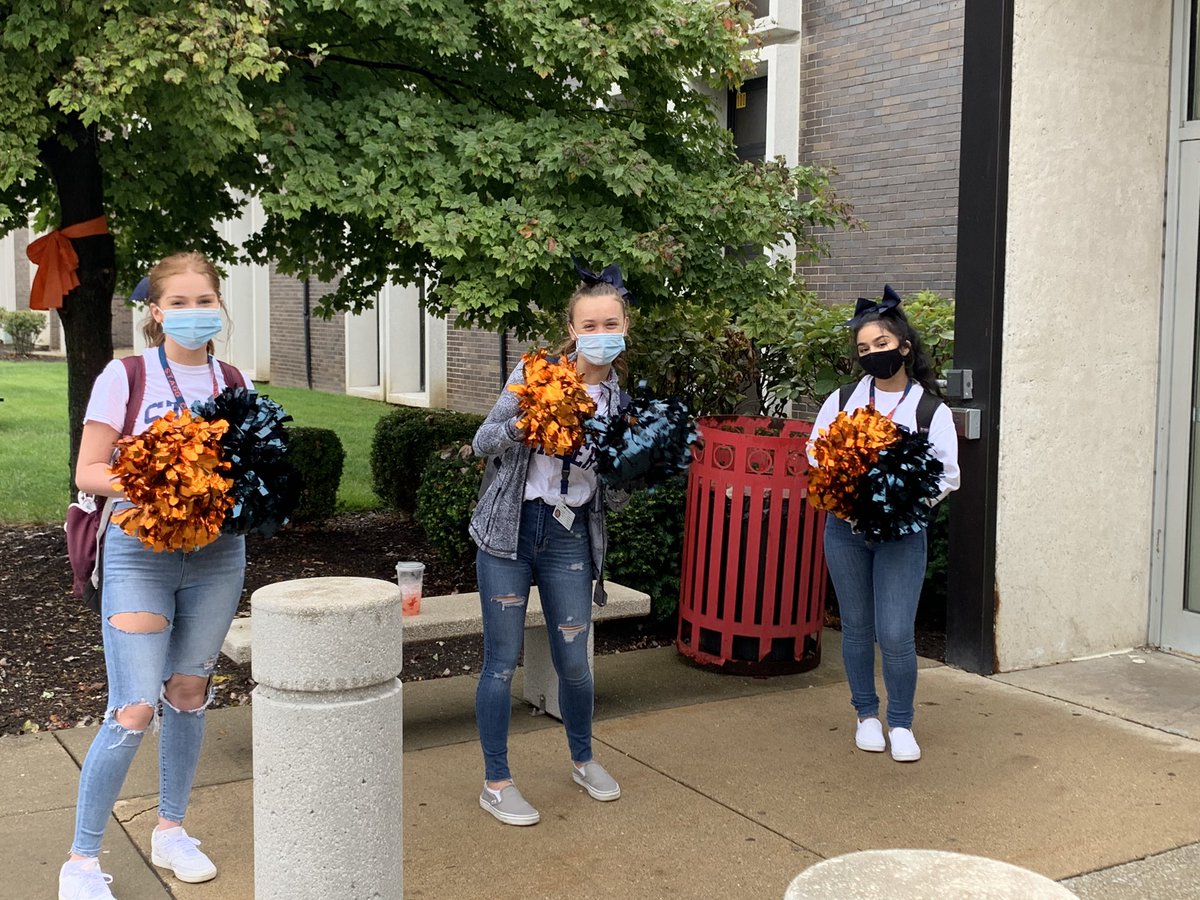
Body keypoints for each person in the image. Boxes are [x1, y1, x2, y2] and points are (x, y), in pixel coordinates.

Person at [59, 252, 250, 899]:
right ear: (156, 310)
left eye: (206, 301)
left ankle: (171, 828)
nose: (195, 313)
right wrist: (166, 484)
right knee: (135, 706)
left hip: (217, 556)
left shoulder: (232, 379)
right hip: (138, 551)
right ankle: (82, 863)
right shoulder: (126, 375)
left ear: (219, 307)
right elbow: (88, 470)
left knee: (189, 693)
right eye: (181, 302)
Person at [468, 267, 632, 826]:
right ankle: (497, 780)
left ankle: (583, 759)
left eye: (611, 323)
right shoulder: (535, 375)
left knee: (574, 662)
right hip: (510, 533)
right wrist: (527, 426)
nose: (601, 332)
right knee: (500, 662)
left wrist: (629, 467)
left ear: (625, 326)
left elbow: (620, 495)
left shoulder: (619, 400)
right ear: (572, 327)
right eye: (590, 323)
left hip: (569, 538)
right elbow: (482, 441)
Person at [809, 287, 960, 764]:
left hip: (901, 537)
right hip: (845, 531)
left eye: (881, 344)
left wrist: (897, 502)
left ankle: (901, 721)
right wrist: (849, 489)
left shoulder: (930, 410)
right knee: (855, 628)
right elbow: (816, 451)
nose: (873, 354)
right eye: (864, 349)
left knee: (895, 633)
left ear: (905, 347)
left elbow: (948, 475)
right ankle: (866, 715)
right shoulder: (843, 398)